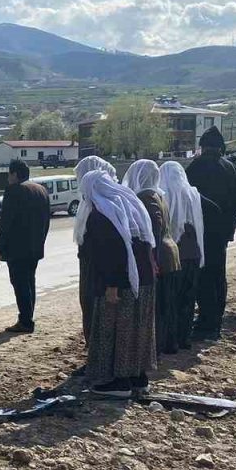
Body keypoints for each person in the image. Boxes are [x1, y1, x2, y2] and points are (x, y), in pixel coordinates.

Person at [79, 171, 158, 397]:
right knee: (138, 329)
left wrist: (112, 285)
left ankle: (119, 383)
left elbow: (111, 252)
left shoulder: (102, 215)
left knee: (118, 330)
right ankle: (138, 378)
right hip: (143, 279)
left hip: (121, 282)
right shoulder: (130, 205)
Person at [185, 126, 236, 340]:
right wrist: (229, 228)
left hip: (201, 233)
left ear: (203, 147)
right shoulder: (232, 169)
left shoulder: (196, 167)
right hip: (221, 233)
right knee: (218, 275)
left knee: (203, 277)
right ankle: (215, 319)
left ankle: (206, 324)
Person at [123, 160, 181, 354]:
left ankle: (157, 347)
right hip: (169, 253)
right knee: (167, 303)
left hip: (160, 256)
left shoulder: (146, 197)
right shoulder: (158, 194)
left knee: (158, 306)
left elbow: (154, 227)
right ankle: (168, 344)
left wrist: (152, 258)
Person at [0, 160, 51, 333]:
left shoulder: (14, 191)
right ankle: (28, 317)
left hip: (17, 248)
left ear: (15, 174)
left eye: (9, 175)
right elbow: (46, 221)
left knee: (20, 283)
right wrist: (41, 241)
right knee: (30, 282)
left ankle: (25, 321)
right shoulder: (41, 190)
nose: (8, 178)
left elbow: (6, 222)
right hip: (35, 246)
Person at [157, 161, 205, 351]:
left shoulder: (164, 194)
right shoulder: (192, 193)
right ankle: (184, 338)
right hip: (193, 252)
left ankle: (170, 341)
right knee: (188, 298)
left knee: (170, 300)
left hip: (173, 255)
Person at [72, 155, 120, 340]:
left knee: (99, 310)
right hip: (87, 264)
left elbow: (109, 245)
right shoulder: (87, 203)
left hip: (100, 268)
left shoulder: (106, 205)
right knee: (88, 305)